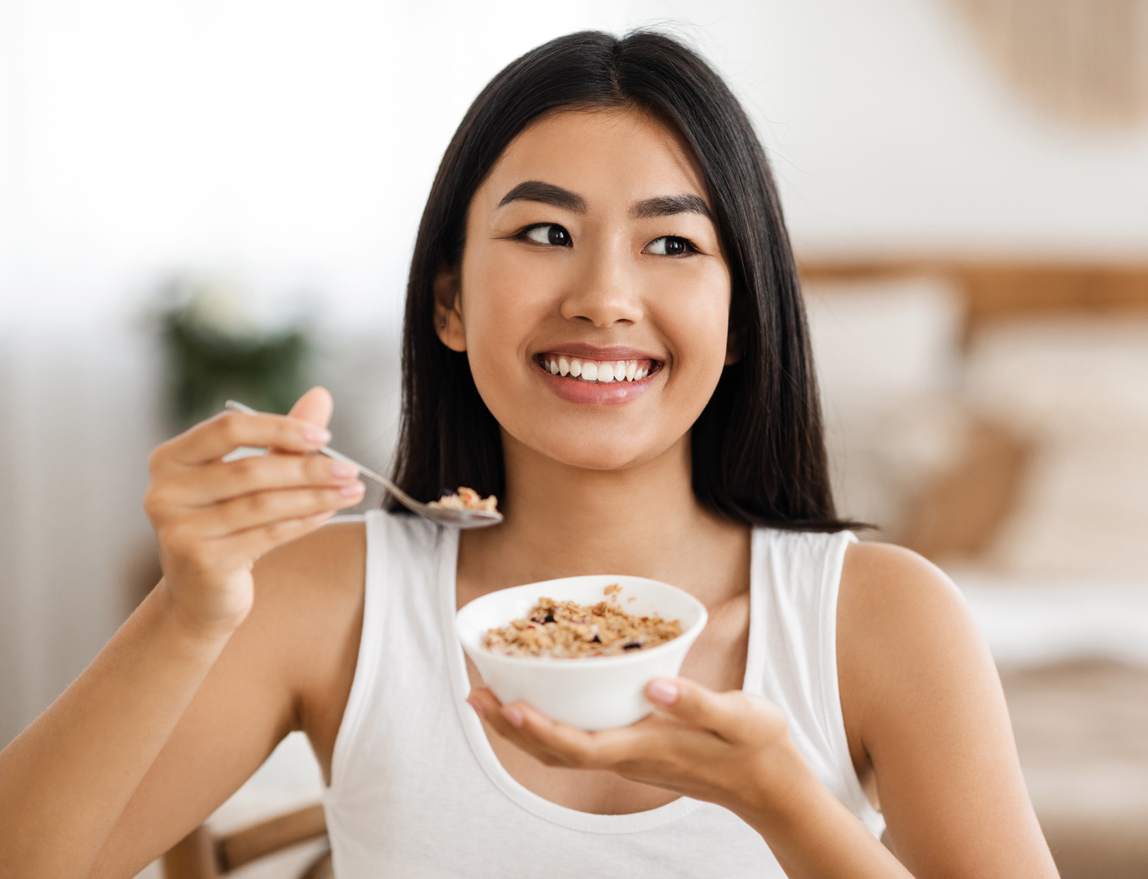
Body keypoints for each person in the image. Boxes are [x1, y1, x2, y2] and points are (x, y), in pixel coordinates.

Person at [0, 30, 1059, 878]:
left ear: (741, 321)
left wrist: (789, 805)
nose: (603, 297)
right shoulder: (326, 596)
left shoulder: (881, 618)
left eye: (673, 243)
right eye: (545, 233)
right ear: (450, 302)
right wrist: (187, 615)